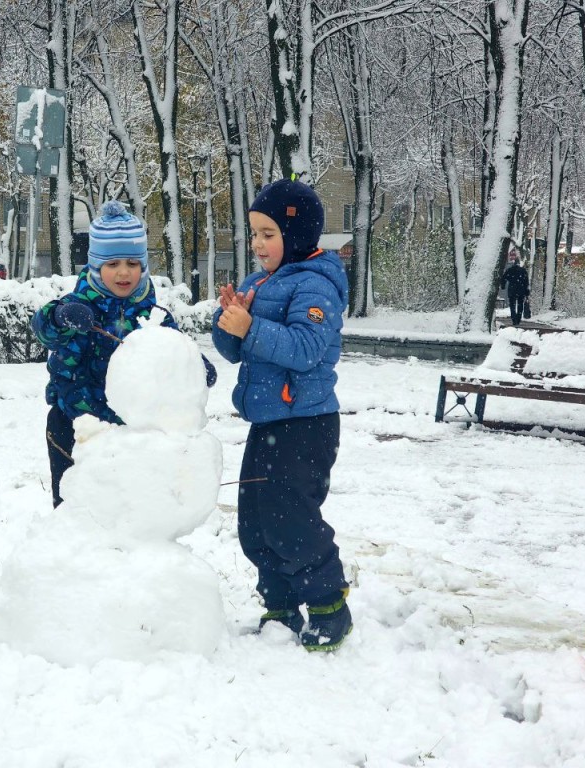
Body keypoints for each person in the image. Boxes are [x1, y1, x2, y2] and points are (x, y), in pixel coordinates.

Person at [212, 178, 351, 652]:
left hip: (306, 423)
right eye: (254, 233)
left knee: (291, 517)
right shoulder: (258, 284)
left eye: (268, 234)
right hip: (268, 422)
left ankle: (329, 605)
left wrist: (252, 327)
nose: (258, 244)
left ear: (296, 235)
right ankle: (280, 604)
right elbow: (235, 351)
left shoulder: (317, 284)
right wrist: (230, 321)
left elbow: (308, 349)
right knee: (254, 520)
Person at [32, 200, 217, 507]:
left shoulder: (153, 317)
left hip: (131, 434)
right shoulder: (76, 307)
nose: (123, 272)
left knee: (127, 511)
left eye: (132, 264)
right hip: (74, 425)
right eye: (113, 264)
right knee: (75, 508)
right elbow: (44, 329)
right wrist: (60, 316)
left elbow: (174, 350)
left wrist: (194, 368)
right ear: (95, 266)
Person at [500, 251, 530, 326]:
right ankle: (518, 318)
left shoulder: (510, 270)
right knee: (520, 305)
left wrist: (503, 286)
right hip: (521, 290)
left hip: (512, 290)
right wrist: (526, 292)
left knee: (512, 305)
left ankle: (514, 319)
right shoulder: (523, 271)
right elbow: (526, 282)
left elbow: (504, 278)